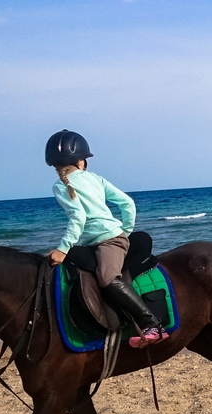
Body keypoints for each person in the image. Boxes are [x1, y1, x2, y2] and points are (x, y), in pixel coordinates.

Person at [46, 129, 169, 348]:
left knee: (107, 277)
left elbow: (78, 217)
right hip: (105, 239)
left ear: (55, 165)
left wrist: (63, 248)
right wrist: (126, 231)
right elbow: (127, 204)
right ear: (81, 161)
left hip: (109, 242)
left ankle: (151, 323)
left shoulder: (60, 186)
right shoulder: (95, 179)